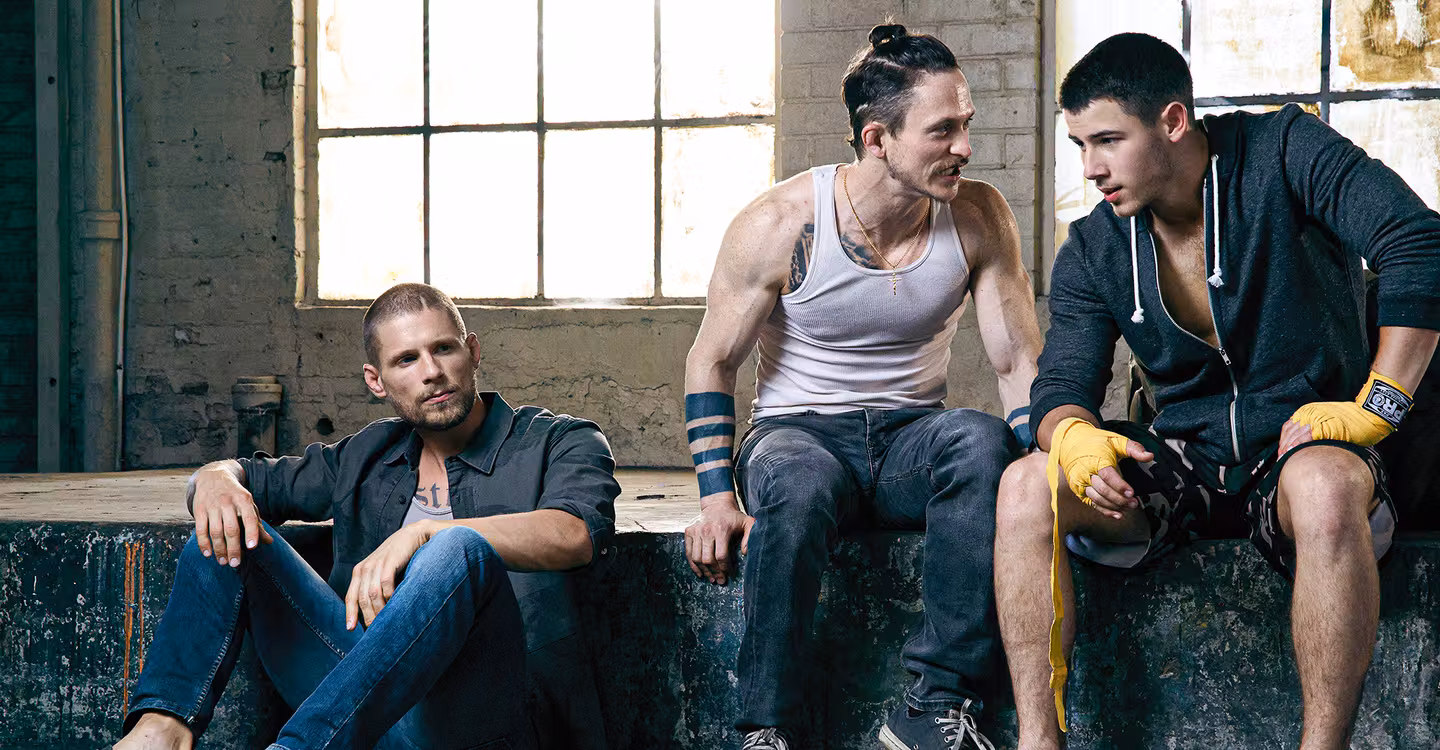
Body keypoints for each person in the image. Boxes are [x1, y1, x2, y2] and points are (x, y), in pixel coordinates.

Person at [993, 33, 1440, 750]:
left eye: (1107, 140)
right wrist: (1069, 435)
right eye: (1079, 145)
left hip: (1300, 445)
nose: (1090, 168)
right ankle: (1039, 742)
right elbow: (1062, 385)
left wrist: (1377, 406)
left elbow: (1417, 240)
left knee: (1326, 484)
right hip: (1184, 459)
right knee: (1025, 486)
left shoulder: (1284, 151)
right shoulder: (1095, 247)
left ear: (1173, 121)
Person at [682, 23, 1043, 750]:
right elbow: (712, 362)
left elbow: (1015, 363)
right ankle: (766, 729)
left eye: (966, 125)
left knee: (981, 442)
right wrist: (717, 498)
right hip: (798, 434)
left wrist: (1043, 468)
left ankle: (935, 708)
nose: (965, 147)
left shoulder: (978, 216)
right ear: (877, 139)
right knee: (799, 485)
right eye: (942, 131)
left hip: (912, 436)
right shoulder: (781, 223)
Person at [114, 282, 620, 750]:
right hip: (368, 715)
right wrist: (214, 479)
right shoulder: (368, 455)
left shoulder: (559, 440)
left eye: (444, 349)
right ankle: (163, 728)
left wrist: (427, 533)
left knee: (457, 548)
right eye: (407, 359)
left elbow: (574, 532)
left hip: (490, 717)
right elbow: (253, 477)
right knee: (227, 530)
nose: (431, 372)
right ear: (377, 381)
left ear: (473, 351)